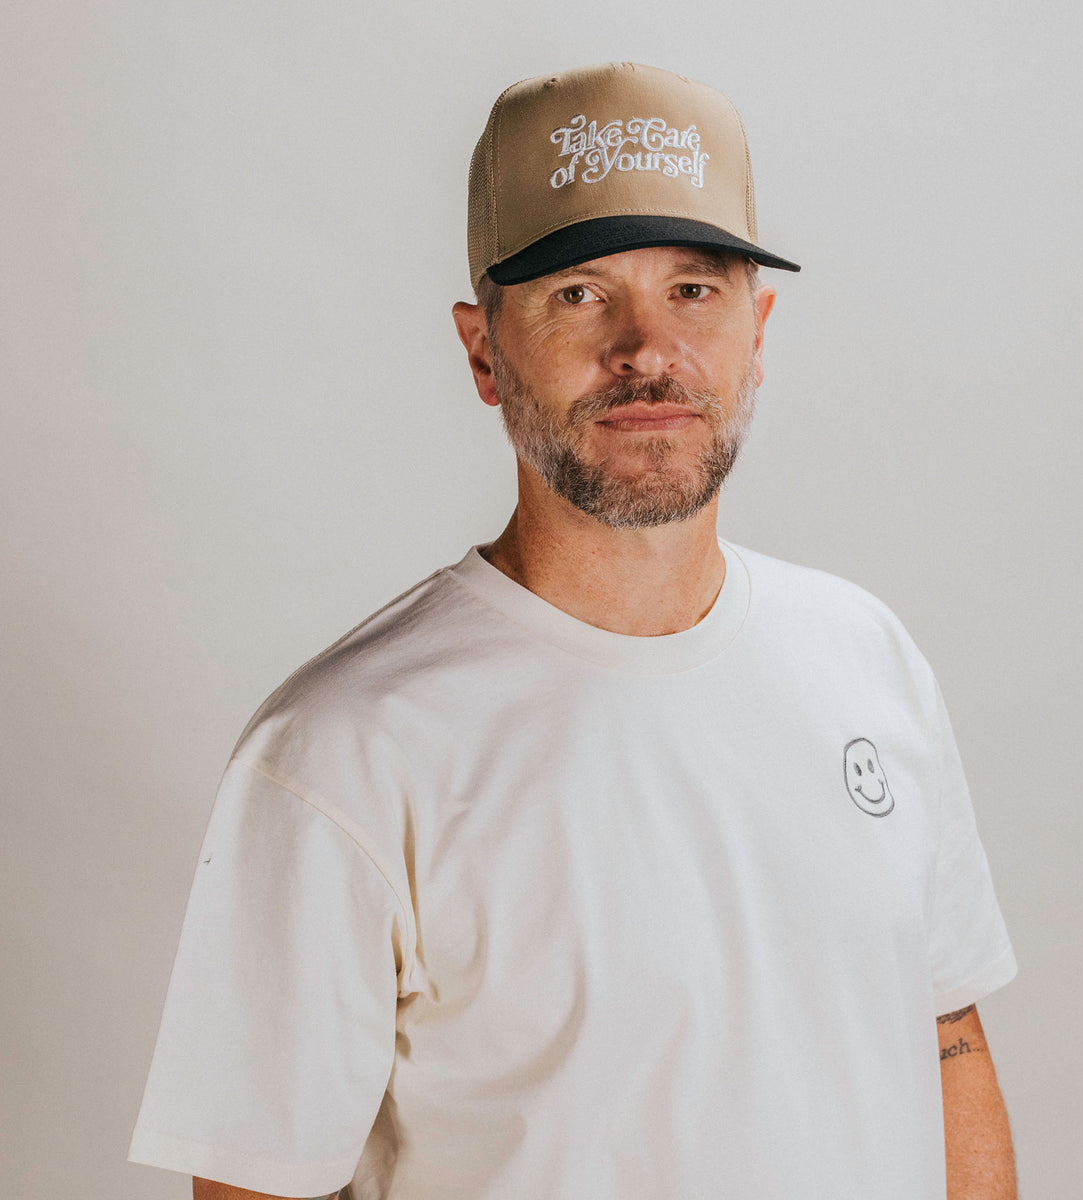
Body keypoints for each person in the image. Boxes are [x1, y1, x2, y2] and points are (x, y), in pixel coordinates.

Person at [129, 62, 1018, 1199]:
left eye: (694, 289)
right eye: (580, 294)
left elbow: (947, 1043)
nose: (648, 348)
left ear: (761, 326)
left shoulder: (866, 657)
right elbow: (254, 1185)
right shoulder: (342, 754)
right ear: (483, 350)